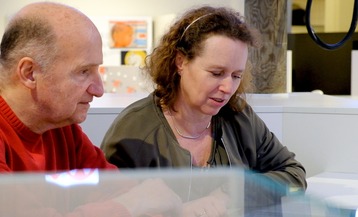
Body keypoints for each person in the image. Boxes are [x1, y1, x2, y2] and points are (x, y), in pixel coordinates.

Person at [101, 5, 307, 216]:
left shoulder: (239, 117)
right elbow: (110, 208)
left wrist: (230, 193)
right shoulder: (134, 131)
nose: (228, 88)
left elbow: (293, 174)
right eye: (216, 73)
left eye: (236, 76)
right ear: (180, 62)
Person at [0, 2, 182, 216]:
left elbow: (123, 190)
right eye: (83, 72)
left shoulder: (61, 126)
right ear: (30, 73)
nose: (99, 90)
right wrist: (130, 205)